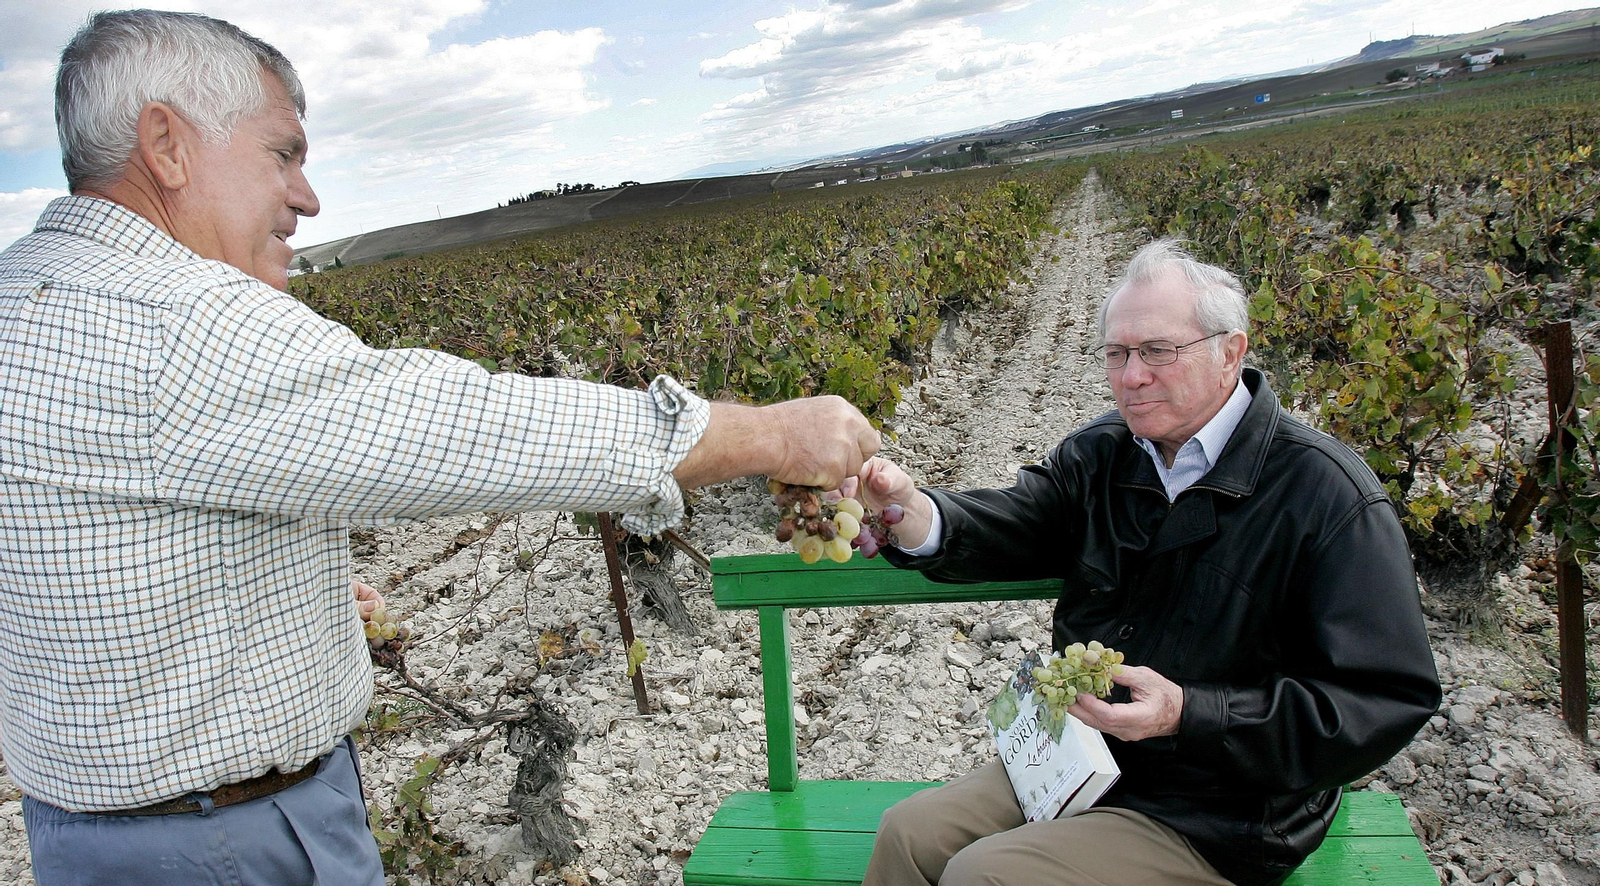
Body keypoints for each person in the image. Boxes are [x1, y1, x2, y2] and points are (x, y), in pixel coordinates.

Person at [0, 9, 878, 885]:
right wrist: (766, 431)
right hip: (223, 848)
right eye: (284, 154)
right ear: (166, 143)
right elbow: (458, 428)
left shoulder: (27, 303)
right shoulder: (169, 319)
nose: (307, 198)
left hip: (92, 838)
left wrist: (238, 595)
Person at [844, 238, 1441, 886]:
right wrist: (910, 512)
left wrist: (1190, 713)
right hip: (1079, 753)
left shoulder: (1324, 495)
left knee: (984, 876)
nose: (1131, 376)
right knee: (906, 836)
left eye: (1157, 351)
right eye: (1118, 354)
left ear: (1230, 353)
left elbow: (1386, 699)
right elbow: (1018, 521)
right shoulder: (1104, 454)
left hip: (1219, 810)